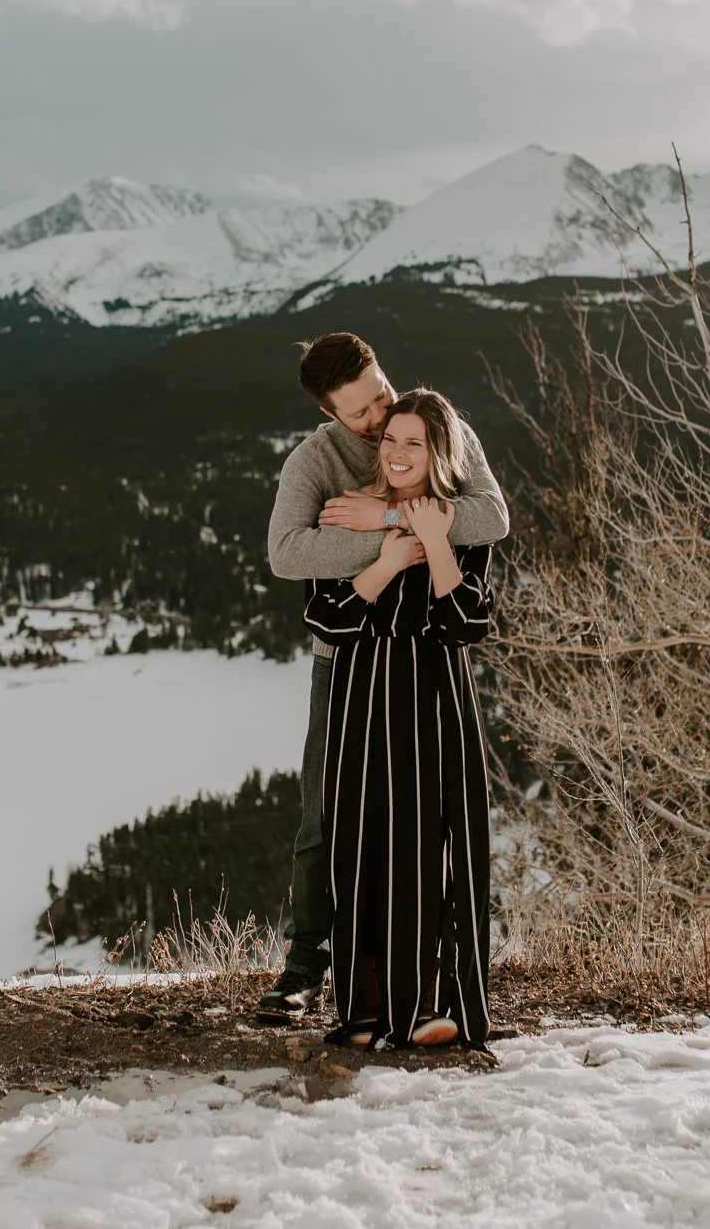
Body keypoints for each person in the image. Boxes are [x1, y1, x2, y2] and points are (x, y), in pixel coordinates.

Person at [258, 334, 508, 1024]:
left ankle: (420, 979)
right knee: (325, 816)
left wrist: (389, 511)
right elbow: (287, 553)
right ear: (332, 413)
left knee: (427, 822)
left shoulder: (437, 427)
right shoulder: (314, 461)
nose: (380, 413)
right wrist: (392, 543)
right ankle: (306, 963)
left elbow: (491, 517)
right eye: (363, 411)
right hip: (344, 660)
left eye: (381, 391)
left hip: (426, 662)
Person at [301, 389, 493, 1048]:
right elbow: (324, 615)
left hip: (434, 693)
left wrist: (435, 542)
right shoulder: (352, 511)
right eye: (391, 440)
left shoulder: (459, 521)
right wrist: (383, 560)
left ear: (439, 449)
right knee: (357, 847)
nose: (399, 452)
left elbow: (467, 621)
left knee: (430, 849)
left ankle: (428, 1010)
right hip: (362, 694)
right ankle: (361, 1011)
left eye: (415, 442)